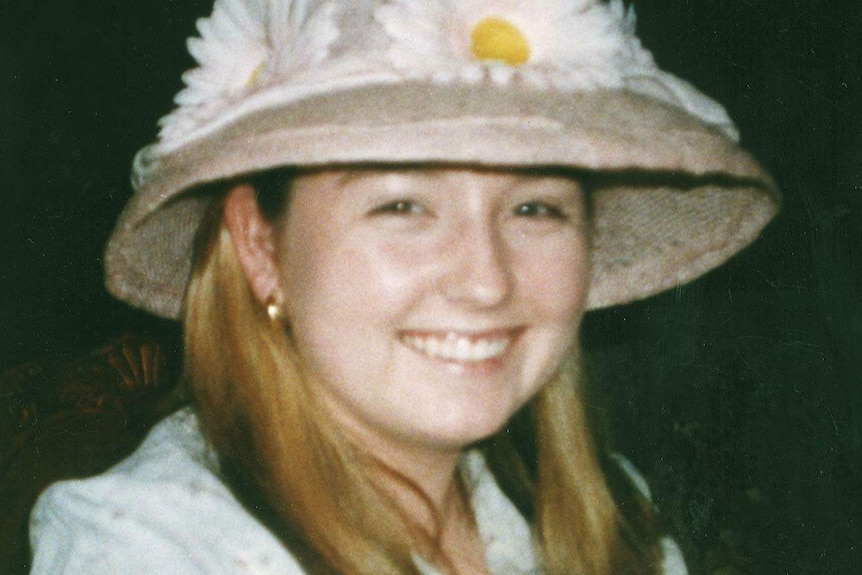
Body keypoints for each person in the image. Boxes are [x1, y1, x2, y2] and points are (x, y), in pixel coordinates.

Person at [27, 0, 779, 574]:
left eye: (534, 207)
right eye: (403, 205)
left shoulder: (606, 512)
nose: (486, 281)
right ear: (261, 245)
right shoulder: (153, 547)